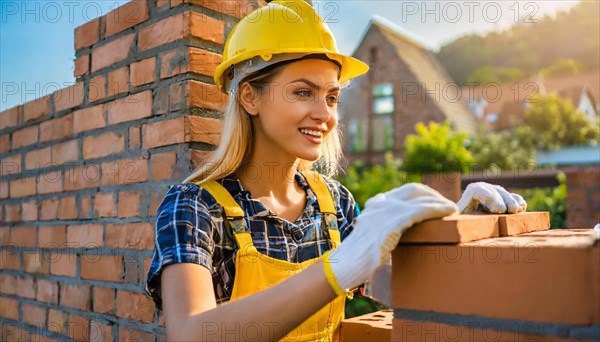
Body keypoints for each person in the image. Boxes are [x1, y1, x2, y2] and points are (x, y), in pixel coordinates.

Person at [145, 1, 527, 341]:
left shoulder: (334, 203)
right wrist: (338, 267)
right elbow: (190, 332)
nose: (325, 115)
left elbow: (392, 285)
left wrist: (459, 232)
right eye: (302, 92)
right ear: (250, 97)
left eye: (331, 97)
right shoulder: (193, 208)